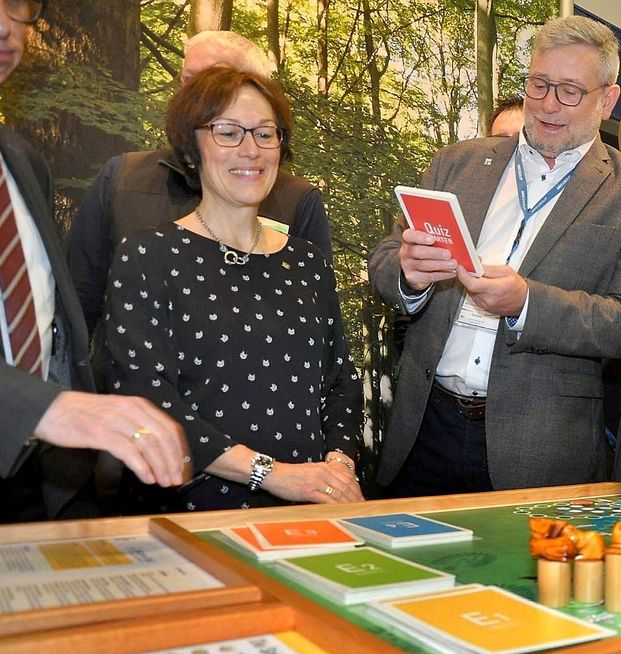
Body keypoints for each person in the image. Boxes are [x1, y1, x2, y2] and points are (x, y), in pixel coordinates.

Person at [369, 15, 621, 497]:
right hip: (425, 429)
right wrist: (409, 274)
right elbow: (385, 257)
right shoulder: (458, 162)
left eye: (570, 91)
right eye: (539, 84)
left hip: (541, 445)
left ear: (608, 99)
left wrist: (528, 303)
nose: (549, 105)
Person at [104, 66, 362, 512]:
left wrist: (336, 470)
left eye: (265, 133)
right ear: (191, 148)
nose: (251, 150)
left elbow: (339, 381)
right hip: (192, 513)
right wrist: (271, 474)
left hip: (309, 511)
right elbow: (146, 400)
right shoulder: (149, 256)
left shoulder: (307, 262)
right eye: (228, 132)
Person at [0, 0, 189, 523]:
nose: (4, 25)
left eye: (15, 5)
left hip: (39, 485)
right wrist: (45, 408)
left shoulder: (21, 164)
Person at [66, 30, 332, 334]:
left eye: (214, 80)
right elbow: (77, 306)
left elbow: (315, 327)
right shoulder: (123, 178)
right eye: (188, 80)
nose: (196, 93)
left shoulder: (296, 199)